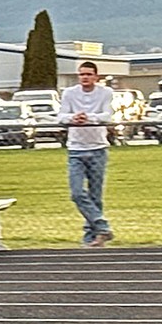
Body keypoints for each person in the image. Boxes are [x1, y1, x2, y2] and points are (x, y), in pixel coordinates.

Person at [57, 61, 115, 247]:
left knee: (95, 195)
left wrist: (88, 117)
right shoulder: (69, 93)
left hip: (98, 148)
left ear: (96, 76)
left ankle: (92, 238)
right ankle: (102, 226)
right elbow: (61, 116)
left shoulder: (105, 93)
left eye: (89, 74)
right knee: (76, 192)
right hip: (76, 148)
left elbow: (107, 115)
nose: (85, 77)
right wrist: (73, 118)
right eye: (82, 74)